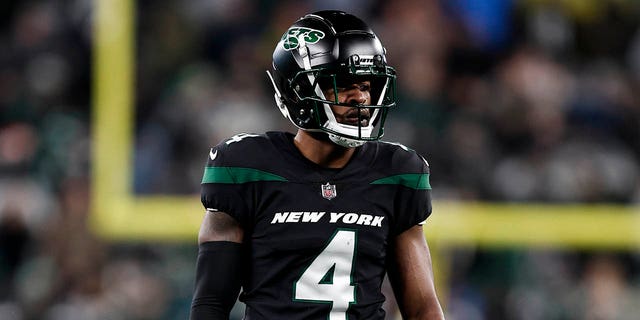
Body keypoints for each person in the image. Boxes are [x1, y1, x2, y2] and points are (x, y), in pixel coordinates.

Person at [190, 10, 445, 320]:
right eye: (342, 86)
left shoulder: (397, 173)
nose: (360, 98)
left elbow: (423, 309)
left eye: (366, 85)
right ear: (298, 92)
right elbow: (210, 305)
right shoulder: (246, 168)